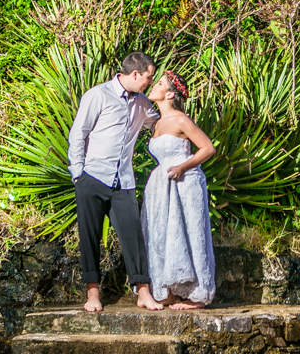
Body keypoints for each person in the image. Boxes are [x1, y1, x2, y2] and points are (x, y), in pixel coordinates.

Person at [67, 52, 164, 312]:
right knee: (90, 236)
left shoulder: (142, 102)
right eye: (148, 77)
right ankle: (93, 294)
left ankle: (143, 292)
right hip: (92, 178)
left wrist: (175, 114)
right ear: (135, 74)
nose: (149, 82)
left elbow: (156, 123)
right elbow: (78, 134)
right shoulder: (97, 95)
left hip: (123, 180)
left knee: (133, 235)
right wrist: (78, 174)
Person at [142, 70, 217, 309]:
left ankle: (197, 296)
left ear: (170, 94)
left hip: (185, 182)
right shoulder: (156, 121)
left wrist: (182, 166)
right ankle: (170, 292)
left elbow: (207, 148)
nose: (154, 86)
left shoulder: (181, 119)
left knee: (191, 234)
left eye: (160, 84)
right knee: (164, 234)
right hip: (161, 187)